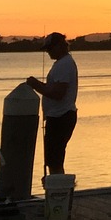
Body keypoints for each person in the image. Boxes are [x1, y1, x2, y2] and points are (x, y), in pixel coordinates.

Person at [27, 32, 78, 174]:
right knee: (53, 158)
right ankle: (56, 186)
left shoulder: (64, 65)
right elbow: (53, 88)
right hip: (58, 117)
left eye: (50, 48)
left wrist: (36, 85)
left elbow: (58, 93)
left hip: (61, 117)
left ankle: (58, 188)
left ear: (60, 46)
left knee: (55, 158)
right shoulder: (62, 64)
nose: (48, 52)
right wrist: (38, 85)